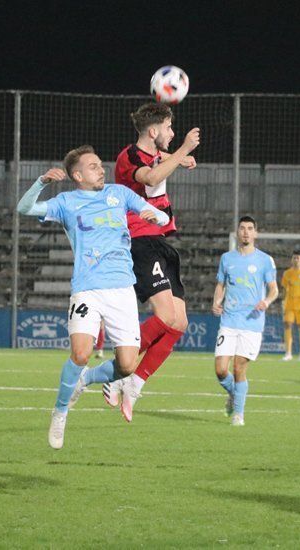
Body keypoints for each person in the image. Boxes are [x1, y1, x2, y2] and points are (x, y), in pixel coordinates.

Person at [16, 145, 169, 450]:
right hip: (87, 287)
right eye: (94, 166)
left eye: (101, 164)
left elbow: (158, 216)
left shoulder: (119, 194)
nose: (102, 169)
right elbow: (24, 209)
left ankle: (85, 380)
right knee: (81, 353)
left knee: (126, 366)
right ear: (77, 175)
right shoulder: (66, 202)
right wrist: (42, 183)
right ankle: (60, 412)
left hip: (123, 289)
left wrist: (155, 217)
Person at [104, 102, 199, 422]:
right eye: (169, 128)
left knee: (180, 323)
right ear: (154, 130)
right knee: (165, 314)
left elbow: (160, 163)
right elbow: (151, 176)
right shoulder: (128, 156)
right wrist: (182, 148)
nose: (173, 133)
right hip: (140, 241)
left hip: (162, 242)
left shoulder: (158, 154)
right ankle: (115, 370)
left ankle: (135, 383)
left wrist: (179, 157)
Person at [212, 216, 278, 426]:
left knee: (239, 368)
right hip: (229, 319)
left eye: (250, 229)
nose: (246, 232)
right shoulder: (227, 258)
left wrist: (266, 302)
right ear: (237, 232)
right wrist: (216, 302)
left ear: (255, 233)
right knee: (221, 370)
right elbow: (221, 285)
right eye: (242, 228)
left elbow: (274, 289)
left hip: (252, 322)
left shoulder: (265, 260)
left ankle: (238, 414)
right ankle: (234, 393)